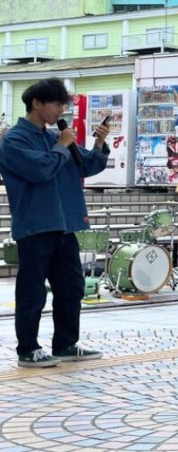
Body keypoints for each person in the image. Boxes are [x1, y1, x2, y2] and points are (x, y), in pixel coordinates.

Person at [0, 78, 110, 367]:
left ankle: (65, 344)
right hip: (36, 225)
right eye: (57, 103)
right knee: (32, 290)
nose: (61, 110)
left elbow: (87, 164)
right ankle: (28, 349)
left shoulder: (53, 137)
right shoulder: (14, 141)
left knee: (71, 287)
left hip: (63, 224)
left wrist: (98, 143)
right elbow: (40, 171)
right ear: (37, 103)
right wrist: (62, 146)